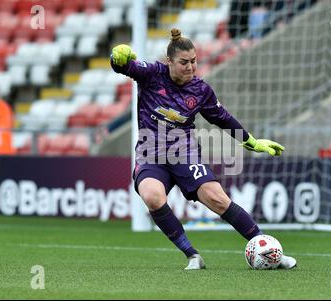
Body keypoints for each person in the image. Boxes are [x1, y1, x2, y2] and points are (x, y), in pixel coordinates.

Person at [110, 28, 296, 270]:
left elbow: (223, 118)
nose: (190, 67)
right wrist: (118, 58)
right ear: (169, 62)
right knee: (152, 196)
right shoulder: (152, 74)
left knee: (217, 198)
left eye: (194, 61)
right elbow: (124, 67)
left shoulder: (200, 90)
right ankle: (193, 256)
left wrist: (253, 142)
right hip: (151, 154)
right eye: (183, 62)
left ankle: (270, 251)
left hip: (184, 153)